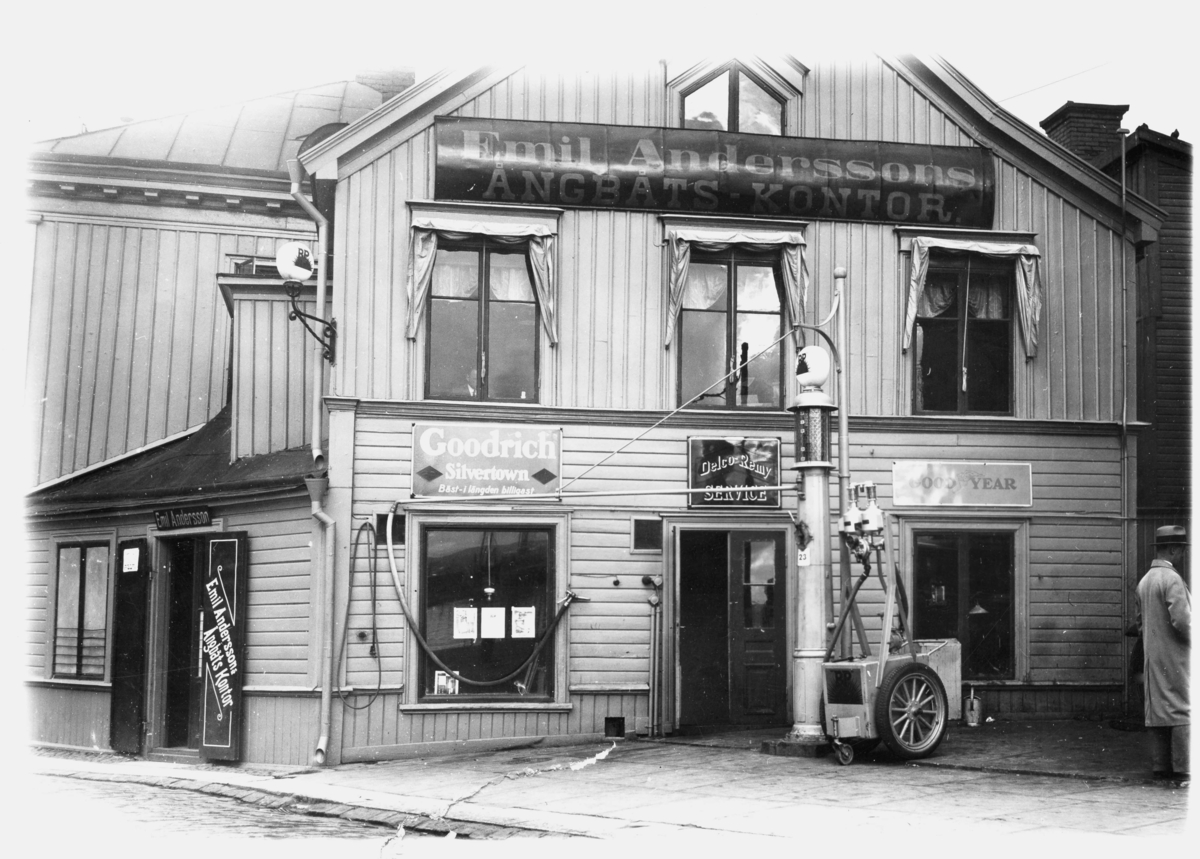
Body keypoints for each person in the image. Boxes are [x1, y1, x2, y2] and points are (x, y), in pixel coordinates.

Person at [1135, 525, 1191, 783]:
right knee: (1183, 708)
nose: (1183, 554)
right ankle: (1183, 769)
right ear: (1173, 549)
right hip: (1177, 656)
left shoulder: (1145, 581)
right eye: (1181, 549)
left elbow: (1139, 624)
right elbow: (1183, 621)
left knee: (1158, 709)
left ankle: (1161, 768)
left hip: (1153, 657)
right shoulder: (1172, 579)